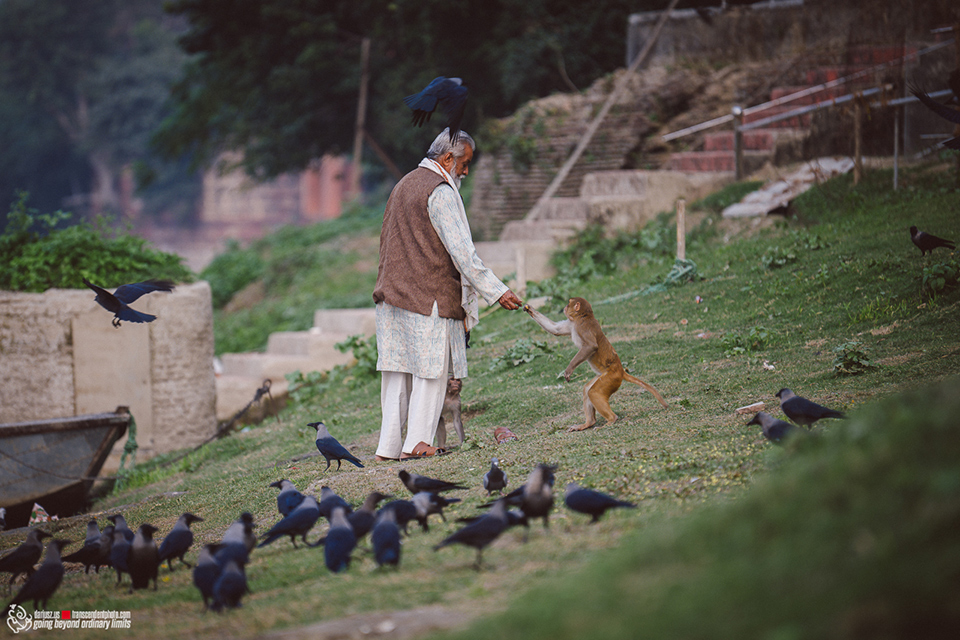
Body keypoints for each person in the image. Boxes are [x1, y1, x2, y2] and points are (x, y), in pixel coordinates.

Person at [372, 128, 522, 461]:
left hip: (392, 293)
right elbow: (463, 253)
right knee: (432, 370)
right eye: (465, 163)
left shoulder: (404, 183)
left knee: (397, 372)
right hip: (428, 298)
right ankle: (416, 443)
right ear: (448, 158)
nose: (466, 172)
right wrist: (497, 291)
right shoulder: (440, 191)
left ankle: (389, 447)